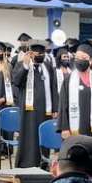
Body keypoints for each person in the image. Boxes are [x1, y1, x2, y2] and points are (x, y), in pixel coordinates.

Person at [12, 39, 58, 168]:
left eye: (42, 54)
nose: (40, 56)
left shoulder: (48, 66)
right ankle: (27, 164)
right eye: (37, 54)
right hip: (29, 110)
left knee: (43, 138)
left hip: (45, 110)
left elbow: (53, 87)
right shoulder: (21, 64)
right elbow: (16, 81)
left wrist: (55, 107)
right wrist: (26, 66)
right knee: (29, 138)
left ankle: (43, 164)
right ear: (31, 54)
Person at [57, 43, 92, 144]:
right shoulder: (68, 80)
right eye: (77, 57)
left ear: (90, 61)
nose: (79, 60)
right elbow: (62, 104)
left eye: (83, 57)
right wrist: (64, 127)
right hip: (76, 126)